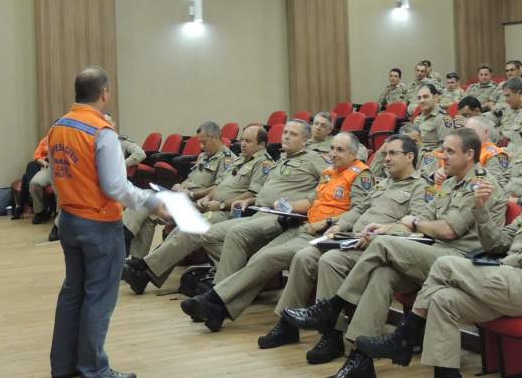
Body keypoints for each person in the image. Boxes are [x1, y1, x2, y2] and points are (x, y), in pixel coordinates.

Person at [283, 128, 507, 378]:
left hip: (459, 260)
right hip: (432, 252)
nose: (443, 156)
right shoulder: (450, 182)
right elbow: (425, 219)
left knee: (382, 243)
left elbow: (447, 230)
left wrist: (410, 225)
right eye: (443, 150)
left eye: (450, 151)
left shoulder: (480, 184)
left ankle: (333, 306)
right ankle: (360, 360)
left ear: (469, 154)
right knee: (382, 274)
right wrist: (389, 227)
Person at [355, 155, 522, 378]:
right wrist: (481, 209)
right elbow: (496, 243)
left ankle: (404, 337)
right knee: (443, 299)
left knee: (445, 263)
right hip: (514, 281)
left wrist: (505, 261)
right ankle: (445, 373)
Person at [257, 135, 429, 364]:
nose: (385, 159)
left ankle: (332, 335)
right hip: (350, 238)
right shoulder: (383, 183)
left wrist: (383, 232)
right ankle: (287, 325)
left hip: (376, 246)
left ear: (410, 157)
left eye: (392, 154)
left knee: (330, 260)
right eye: (385, 153)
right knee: (304, 256)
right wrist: (337, 225)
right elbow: (359, 210)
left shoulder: (421, 187)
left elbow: (414, 226)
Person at [180, 133, 373, 332]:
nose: (333, 153)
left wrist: (326, 222)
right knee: (259, 256)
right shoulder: (329, 172)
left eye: (340, 150)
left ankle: (214, 300)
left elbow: (359, 211)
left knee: (269, 257)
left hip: (326, 234)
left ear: (353, 153)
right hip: (305, 226)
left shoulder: (360, 175)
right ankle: (218, 309)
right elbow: (310, 201)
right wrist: (285, 206)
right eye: (332, 148)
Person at [48, 66, 167, 378]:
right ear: (104, 93)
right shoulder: (101, 131)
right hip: (99, 224)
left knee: (73, 293)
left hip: (70, 220)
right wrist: (154, 202)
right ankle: (93, 370)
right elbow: (115, 186)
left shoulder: (59, 126)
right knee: (99, 298)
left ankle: (64, 368)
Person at [122, 125, 273, 293]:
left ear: (262, 144)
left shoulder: (263, 163)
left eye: (248, 141)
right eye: (242, 140)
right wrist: (208, 198)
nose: (243, 144)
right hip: (210, 205)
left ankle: (143, 268)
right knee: (149, 201)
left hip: (229, 213)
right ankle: (140, 269)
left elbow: (251, 194)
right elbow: (220, 186)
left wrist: (217, 203)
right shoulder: (240, 160)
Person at [199, 119, 329, 280]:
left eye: (293, 134)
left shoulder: (314, 158)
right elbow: (266, 191)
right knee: (209, 234)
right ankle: (240, 280)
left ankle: (220, 291)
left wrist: (306, 204)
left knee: (236, 233)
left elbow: (331, 184)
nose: (286, 137)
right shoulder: (282, 159)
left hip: (281, 217)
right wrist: (249, 201)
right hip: (259, 212)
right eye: (285, 132)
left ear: (305, 140)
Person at [123, 121, 232, 259]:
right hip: (183, 198)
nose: (201, 146)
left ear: (216, 137)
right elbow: (192, 179)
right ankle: (135, 259)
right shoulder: (204, 156)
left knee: (149, 201)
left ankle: (125, 237)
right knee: (149, 203)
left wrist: (192, 193)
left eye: (204, 142)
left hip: (198, 205)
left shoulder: (228, 160)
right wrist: (180, 186)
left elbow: (218, 188)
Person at [413, 84, 454, 151]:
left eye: (425, 97)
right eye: (419, 98)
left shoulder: (443, 118)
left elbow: (446, 146)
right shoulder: (417, 119)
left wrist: (426, 155)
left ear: (435, 97)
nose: (421, 101)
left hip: (432, 158)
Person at [490, 79, 522, 148]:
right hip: (497, 143)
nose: (506, 100)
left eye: (508, 95)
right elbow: (488, 119)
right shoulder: (506, 107)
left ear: (519, 93)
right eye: (505, 96)